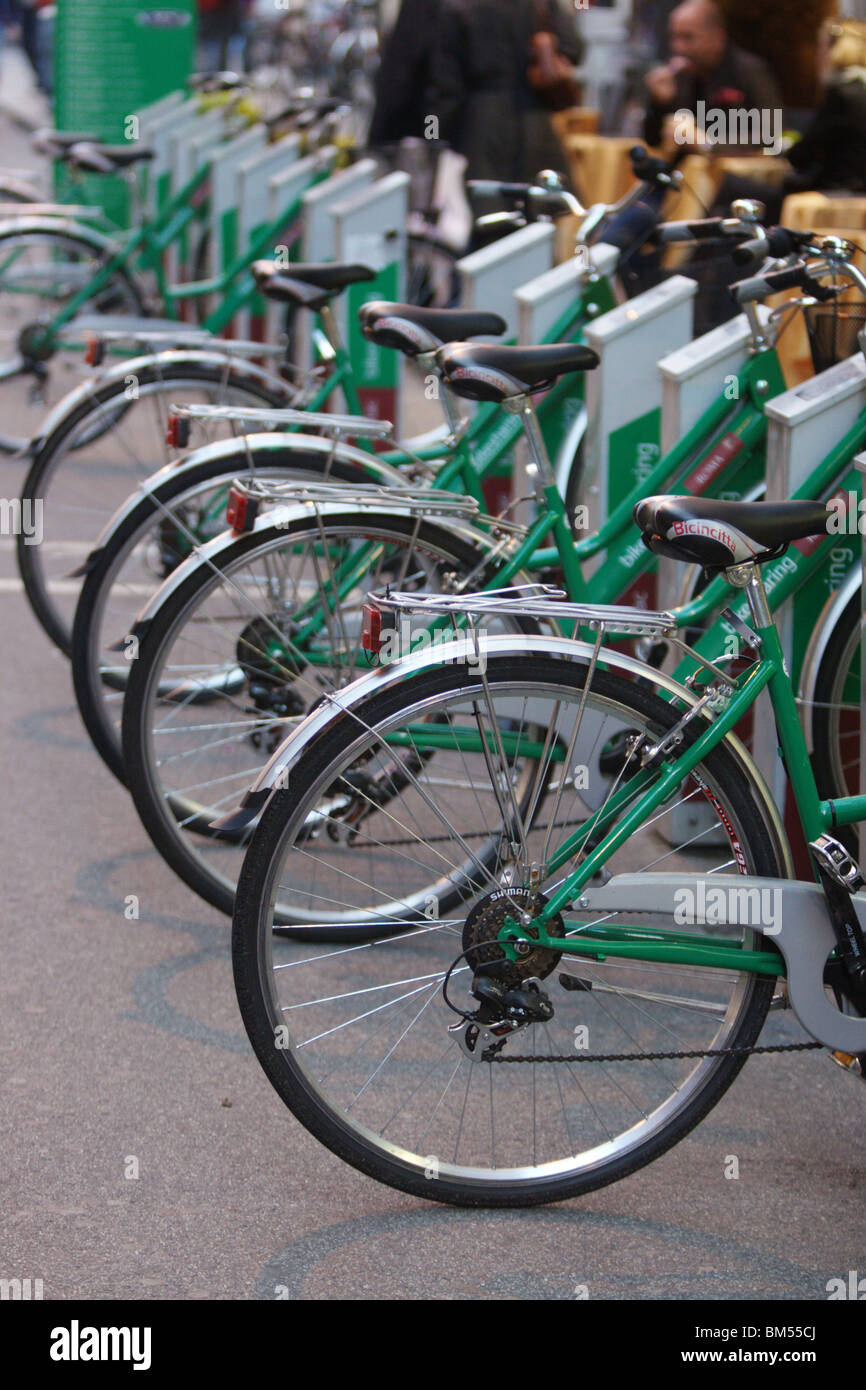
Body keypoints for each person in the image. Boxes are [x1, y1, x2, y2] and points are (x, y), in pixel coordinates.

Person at [429, 0, 583, 185]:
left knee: (487, 202)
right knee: (542, 201)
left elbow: (445, 87)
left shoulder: (457, 7)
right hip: (535, 121)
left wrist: (433, 135)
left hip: (480, 124)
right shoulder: (540, 3)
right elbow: (573, 48)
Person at [643, 0, 782, 153]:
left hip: (733, 173)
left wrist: (707, 143)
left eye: (688, 37)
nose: (678, 47)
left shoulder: (749, 71)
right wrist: (659, 104)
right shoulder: (681, 76)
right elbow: (653, 141)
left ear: (718, 37)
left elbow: (771, 133)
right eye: (674, 37)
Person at [369, 0, 444, 145]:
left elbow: (400, 72)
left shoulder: (420, 6)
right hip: (453, 114)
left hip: (430, 112)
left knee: (432, 148)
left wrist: (378, 137)